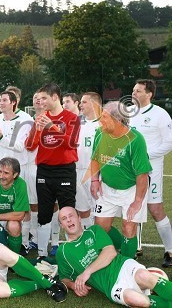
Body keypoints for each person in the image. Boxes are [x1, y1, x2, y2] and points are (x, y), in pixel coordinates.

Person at [57, 206, 172, 308]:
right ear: (62, 225)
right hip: (111, 286)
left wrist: (87, 272)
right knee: (139, 301)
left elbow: (110, 252)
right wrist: (74, 286)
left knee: (144, 276)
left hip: (122, 266)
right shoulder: (63, 251)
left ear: (79, 218)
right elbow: (64, 277)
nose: (68, 220)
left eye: (71, 216)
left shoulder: (94, 230)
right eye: (64, 218)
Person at [90, 101, 153, 259]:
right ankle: (122, 250)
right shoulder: (100, 133)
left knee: (129, 227)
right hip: (107, 187)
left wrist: (138, 201)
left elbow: (142, 174)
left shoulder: (135, 140)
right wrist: (95, 181)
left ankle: (127, 263)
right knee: (101, 227)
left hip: (131, 189)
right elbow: (95, 158)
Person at [25, 83, 80, 260]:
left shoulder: (72, 117)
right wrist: (37, 129)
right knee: (44, 214)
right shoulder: (40, 118)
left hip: (65, 171)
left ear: (55, 97)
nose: (40, 102)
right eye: (39, 98)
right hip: (44, 172)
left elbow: (71, 143)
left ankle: (72, 254)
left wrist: (51, 127)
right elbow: (29, 146)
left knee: (68, 213)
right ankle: (41, 254)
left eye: (44, 98)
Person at [129, 79, 172, 267]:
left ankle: (170, 250)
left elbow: (168, 143)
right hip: (130, 169)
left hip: (151, 169)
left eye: (138, 91)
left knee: (155, 209)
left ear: (149, 94)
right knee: (132, 206)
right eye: (133, 90)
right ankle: (135, 247)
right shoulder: (128, 113)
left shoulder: (161, 115)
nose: (134, 93)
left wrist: (145, 155)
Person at [75, 92, 102, 229]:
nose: (80, 104)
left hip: (97, 174)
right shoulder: (76, 123)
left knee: (99, 210)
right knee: (82, 209)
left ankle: (99, 240)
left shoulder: (105, 124)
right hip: (78, 171)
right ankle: (88, 237)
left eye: (84, 102)